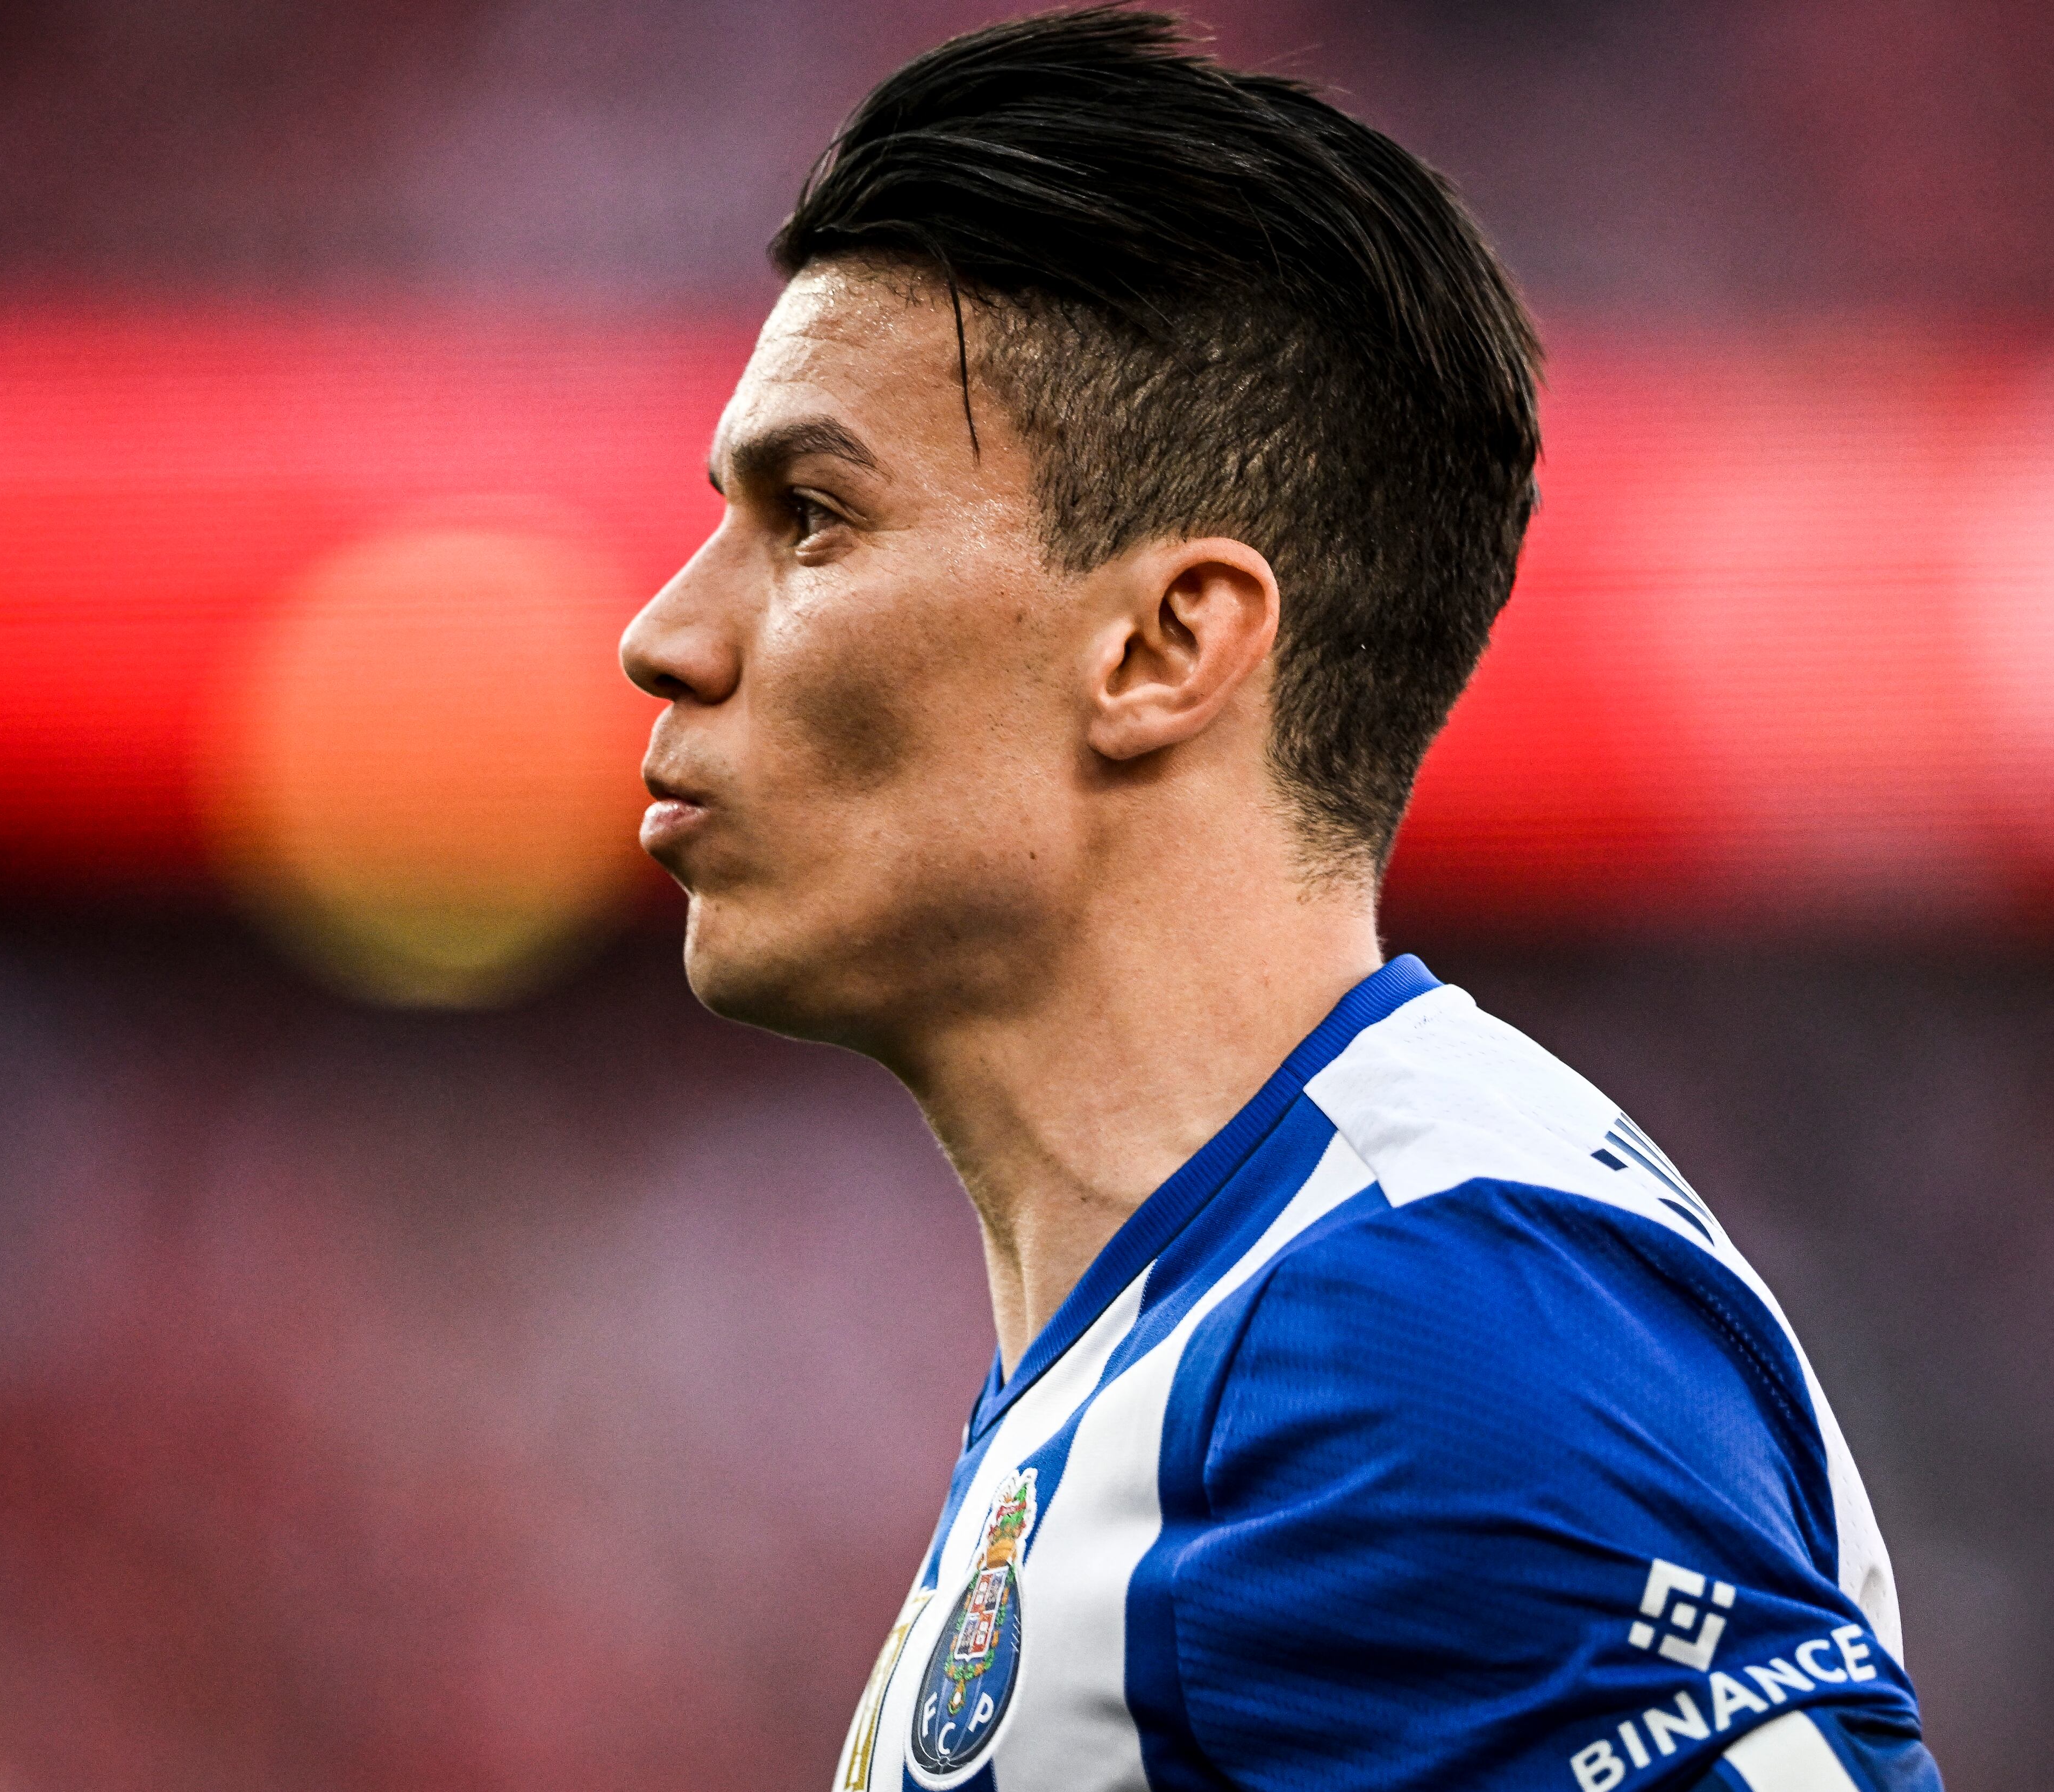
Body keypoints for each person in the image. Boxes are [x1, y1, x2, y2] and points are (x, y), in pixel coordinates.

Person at [619, 10, 1940, 1789]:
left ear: (1166, 646)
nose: (668, 634)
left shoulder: (1432, 1333)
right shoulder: (1210, 1332)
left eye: (813, 519)